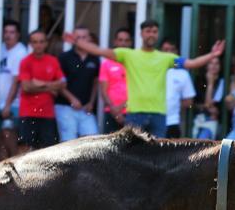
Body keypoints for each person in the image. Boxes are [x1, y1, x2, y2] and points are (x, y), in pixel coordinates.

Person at [66, 20, 224, 138]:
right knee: (132, 156)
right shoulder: (128, 54)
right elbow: (100, 51)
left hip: (159, 115)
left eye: (154, 31)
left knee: (157, 158)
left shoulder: (166, 58)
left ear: (157, 34)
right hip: (135, 114)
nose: (151, 34)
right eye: (148, 31)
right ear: (141, 34)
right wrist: (77, 42)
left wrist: (212, 55)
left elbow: (190, 63)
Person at [17, 29, 64, 151]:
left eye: (41, 42)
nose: (38, 45)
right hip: (28, 111)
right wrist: (51, 87)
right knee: (24, 149)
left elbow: (62, 84)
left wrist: (40, 83)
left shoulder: (53, 61)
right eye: (35, 42)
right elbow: (26, 87)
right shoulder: (25, 62)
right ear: (30, 44)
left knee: (48, 150)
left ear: (46, 43)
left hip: (47, 112)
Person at [54, 26, 99, 142]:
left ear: (89, 38)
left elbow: (95, 81)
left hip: (86, 108)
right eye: (78, 37)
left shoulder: (94, 58)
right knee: (68, 143)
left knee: (93, 141)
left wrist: (91, 102)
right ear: (73, 39)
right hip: (65, 107)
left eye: (84, 37)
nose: (81, 40)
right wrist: (71, 99)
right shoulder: (64, 57)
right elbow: (58, 82)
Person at [0, 20, 28, 160]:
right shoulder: (0, 48)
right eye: (6, 32)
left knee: (9, 133)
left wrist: (8, 104)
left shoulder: (20, 51)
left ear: (18, 35)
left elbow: (16, 81)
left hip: (14, 102)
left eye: (12, 32)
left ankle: (15, 164)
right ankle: (1, 169)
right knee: (1, 138)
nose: (8, 35)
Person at [159, 39, 196, 138]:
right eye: (166, 50)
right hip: (153, 120)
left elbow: (189, 101)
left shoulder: (182, 73)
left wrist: (173, 106)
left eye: (172, 50)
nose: (169, 53)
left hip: (172, 122)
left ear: (176, 52)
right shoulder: (152, 70)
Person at [99, 28, 132, 134]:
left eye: (126, 40)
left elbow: (139, 90)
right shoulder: (106, 63)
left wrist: (122, 107)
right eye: (120, 40)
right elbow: (103, 92)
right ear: (115, 42)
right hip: (111, 112)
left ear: (130, 43)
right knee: (109, 148)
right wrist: (115, 111)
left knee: (132, 148)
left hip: (132, 111)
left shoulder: (134, 63)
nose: (123, 43)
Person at [193, 56, 223, 139]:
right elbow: (200, 104)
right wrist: (210, 84)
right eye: (211, 63)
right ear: (206, 66)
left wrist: (211, 84)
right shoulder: (199, 81)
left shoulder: (223, 82)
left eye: (217, 63)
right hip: (198, 120)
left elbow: (214, 107)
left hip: (215, 123)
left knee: (203, 138)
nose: (214, 66)